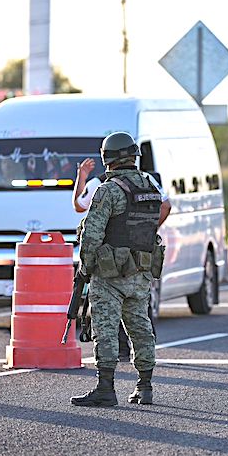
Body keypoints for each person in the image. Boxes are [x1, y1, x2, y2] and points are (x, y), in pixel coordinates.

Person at [71, 131, 167, 407]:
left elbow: (91, 235)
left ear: (107, 159)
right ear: (133, 156)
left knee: (106, 328)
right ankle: (145, 386)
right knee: (140, 327)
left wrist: (84, 270)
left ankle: (105, 388)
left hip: (110, 274)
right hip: (141, 271)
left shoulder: (109, 190)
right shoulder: (150, 186)